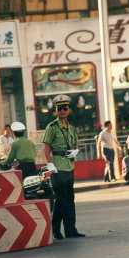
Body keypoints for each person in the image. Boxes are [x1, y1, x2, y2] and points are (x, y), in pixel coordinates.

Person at [43, 94, 85, 240]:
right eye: (59, 108)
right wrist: (49, 164)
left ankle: (70, 229)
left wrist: (76, 151)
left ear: (69, 110)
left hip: (69, 166)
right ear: (55, 110)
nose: (62, 111)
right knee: (61, 199)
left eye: (64, 108)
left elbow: (75, 145)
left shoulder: (72, 128)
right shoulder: (52, 127)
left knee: (69, 199)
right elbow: (46, 147)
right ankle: (55, 229)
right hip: (57, 167)